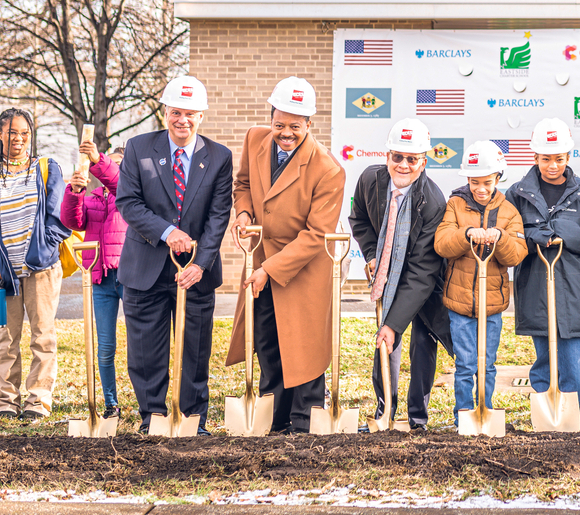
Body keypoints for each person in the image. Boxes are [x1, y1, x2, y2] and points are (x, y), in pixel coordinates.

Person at [226, 77, 346, 434]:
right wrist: (244, 214)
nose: (286, 134)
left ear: (309, 124)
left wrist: (269, 270)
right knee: (267, 338)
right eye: (279, 125)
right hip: (261, 255)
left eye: (295, 127)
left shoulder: (328, 169)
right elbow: (243, 184)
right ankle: (273, 418)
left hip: (303, 267)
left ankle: (305, 420)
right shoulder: (255, 139)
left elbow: (316, 234)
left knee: (303, 343)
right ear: (271, 117)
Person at [116, 76, 234, 435]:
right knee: (146, 352)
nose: (182, 120)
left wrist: (201, 263)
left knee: (195, 351)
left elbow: (218, 216)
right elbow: (128, 203)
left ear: (202, 115)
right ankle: (152, 416)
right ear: (164, 112)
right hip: (146, 266)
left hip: (195, 272)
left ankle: (192, 419)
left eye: (190, 114)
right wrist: (168, 232)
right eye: (175, 112)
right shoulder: (138, 148)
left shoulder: (218, 157)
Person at [348, 118, 453, 430]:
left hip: (425, 281)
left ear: (423, 162)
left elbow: (422, 271)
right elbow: (360, 219)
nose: (403, 165)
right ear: (387, 155)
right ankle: (386, 412)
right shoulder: (370, 181)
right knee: (385, 342)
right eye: (397, 157)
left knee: (423, 341)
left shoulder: (432, 201)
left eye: (412, 159)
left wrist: (394, 324)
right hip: (387, 274)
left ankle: (418, 417)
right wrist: (370, 254)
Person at [508, 119, 580, 426]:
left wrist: (563, 232)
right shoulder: (518, 194)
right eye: (546, 159)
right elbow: (510, 234)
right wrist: (533, 237)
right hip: (536, 285)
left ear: (568, 156)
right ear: (535, 157)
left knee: (574, 362)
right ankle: (546, 421)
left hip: (576, 288)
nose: (552, 165)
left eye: (558, 158)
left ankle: (573, 421)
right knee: (544, 359)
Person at [0, 108, 72, 420]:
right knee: (6, 339)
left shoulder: (46, 168)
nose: (18, 139)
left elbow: (61, 216)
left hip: (42, 269)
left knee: (43, 336)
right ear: (0, 134)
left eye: (25, 133)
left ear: (31, 135)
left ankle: (37, 402)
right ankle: (5, 403)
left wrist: (44, 248)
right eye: (12, 132)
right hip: (3, 274)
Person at [433, 140, 528, 423]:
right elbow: (441, 243)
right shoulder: (455, 205)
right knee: (464, 365)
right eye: (474, 182)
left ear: (498, 178)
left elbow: (517, 255)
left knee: (486, 365)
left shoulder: (509, 211)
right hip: (459, 304)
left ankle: (485, 411)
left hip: (492, 305)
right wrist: (467, 234)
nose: (481, 188)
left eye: (487, 182)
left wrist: (499, 237)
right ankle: (464, 414)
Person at [61, 138, 128, 419]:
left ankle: (149, 400)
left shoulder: (133, 197)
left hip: (130, 275)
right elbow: (72, 221)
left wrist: (101, 160)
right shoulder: (93, 198)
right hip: (100, 277)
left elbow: (121, 186)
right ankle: (111, 403)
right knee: (105, 346)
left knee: (140, 344)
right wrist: (75, 192)